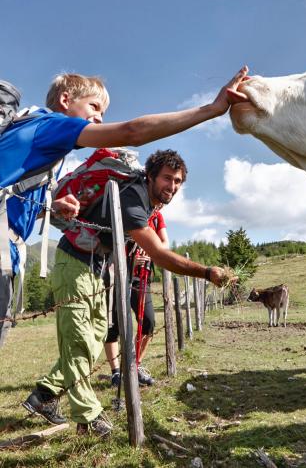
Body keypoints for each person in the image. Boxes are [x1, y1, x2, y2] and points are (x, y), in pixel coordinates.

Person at [0, 67, 249, 348]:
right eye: (94, 106)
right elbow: (133, 132)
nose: (98, 118)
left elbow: (11, 197)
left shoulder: (30, 130)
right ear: (66, 100)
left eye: (103, 113)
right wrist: (213, 109)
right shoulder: (55, 125)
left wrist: (51, 206)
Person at [23, 148, 237, 438]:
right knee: (79, 341)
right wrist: (207, 272)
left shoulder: (149, 202)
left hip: (97, 266)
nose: (171, 186)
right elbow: (160, 254)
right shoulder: (133, 198)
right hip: (72, 264)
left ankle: (45, 394)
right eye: (166, 178)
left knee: (96, 336)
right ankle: (88, 415)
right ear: (150, 175)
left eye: (177, 181)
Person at [105, 207, 168, 387]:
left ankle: (133, 366)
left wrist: (152, 252)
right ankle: (115, 372)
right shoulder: (128, 210)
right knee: (114, 325)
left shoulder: (157, 218)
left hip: (142, 278)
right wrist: (129, 262)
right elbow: (110, 245)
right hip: (117, 276)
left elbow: (165, 243)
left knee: (148, 323)